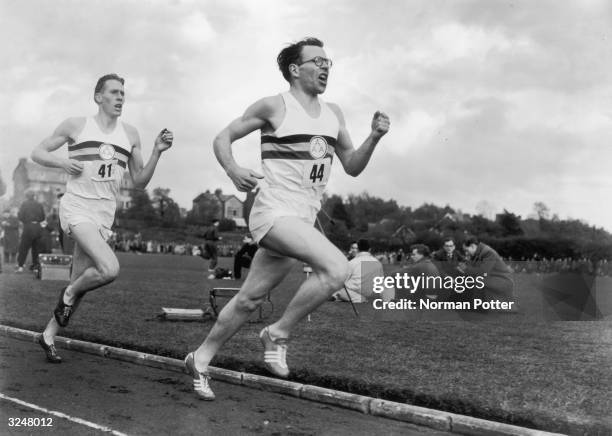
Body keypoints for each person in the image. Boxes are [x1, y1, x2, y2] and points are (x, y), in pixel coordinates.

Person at [184, 37, 390, 400]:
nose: (326, 67)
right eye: (318, 61)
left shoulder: (334, 114)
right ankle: (276, 334)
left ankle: (200, 359)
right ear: (296, 69)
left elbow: (353, 166)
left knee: (249, 300)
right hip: (272, 213)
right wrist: (232, 169)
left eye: (330, 62)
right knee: (338, 269)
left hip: (301, 220)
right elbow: (222, 137)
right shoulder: (274, 106)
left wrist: (374, 137)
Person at [31, 73, 173, 363]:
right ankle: (67, 294)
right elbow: (38, 152)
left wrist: (158, 152)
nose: (121, 97)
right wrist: (62, 162)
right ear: (99, 97)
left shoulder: (130, 134)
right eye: (114, 92)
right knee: (108, 269)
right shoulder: (77, 125)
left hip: (104, 213)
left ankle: (47, 336)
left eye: (123, 92)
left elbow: (141, 181)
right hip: (77, 207)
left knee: (80, 282)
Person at [460, 236, 514, 302]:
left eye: (466, 250)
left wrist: (466, 269)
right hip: (494, 279)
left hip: (503, 281)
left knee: (475, 280)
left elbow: (483, 272)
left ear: (473, 246)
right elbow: (475, 268)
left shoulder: (489, 253)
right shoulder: (479, 253)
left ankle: (477, 305)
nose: (466, 253)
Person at [330, 238, 384, 303]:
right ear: (369, 249)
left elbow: (342, 280)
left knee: (339, 289)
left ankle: (335, 296)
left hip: (352, 293)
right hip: (370, 294)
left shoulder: (352, 263)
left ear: (358, 249)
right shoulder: (378, 263)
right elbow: (381, 282)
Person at [16, 190, 46, 273]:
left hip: (28, 227)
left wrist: (25, 221)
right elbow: (43, 217)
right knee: (36, 248)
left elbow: (20, 216)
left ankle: (20, 266)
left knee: (23, 247)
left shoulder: (24, 204)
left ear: (26, 196)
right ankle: (36, 267)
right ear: (34, 196)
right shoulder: (39, 204)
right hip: (37, 227)